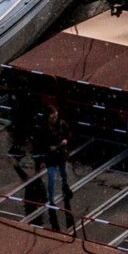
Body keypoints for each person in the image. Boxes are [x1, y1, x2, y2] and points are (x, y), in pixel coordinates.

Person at [33, 99, 72, 232]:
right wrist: (48, 148)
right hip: (52, 158)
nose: (55, 118)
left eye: (55, 115)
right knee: (51, 179)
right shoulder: (44, 128)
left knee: (64, 174)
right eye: (52, 116)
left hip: (61, 155)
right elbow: (40, 143)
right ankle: (51, 199)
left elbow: (68, 134)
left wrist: (66, 140)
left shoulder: (61, 124)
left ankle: (65, 187)